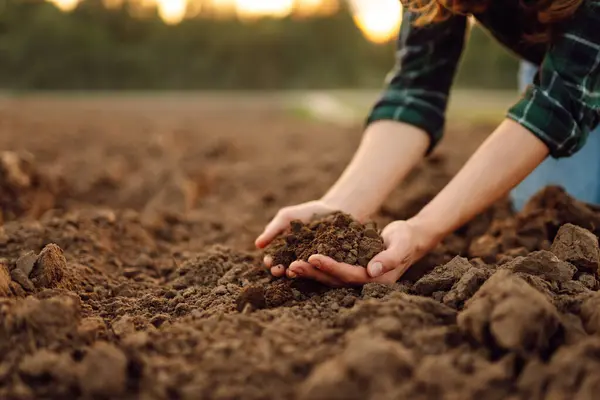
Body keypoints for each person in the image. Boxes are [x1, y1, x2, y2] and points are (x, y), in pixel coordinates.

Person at [255, 0, 600, 287]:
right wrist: (341, 207)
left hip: (577, 67)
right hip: (563, 64)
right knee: (551, 205)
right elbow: (416, 88)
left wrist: (423, 231)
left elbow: (558, 102)